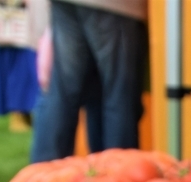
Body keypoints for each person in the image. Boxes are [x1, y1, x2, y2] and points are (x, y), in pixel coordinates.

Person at [29, 0, 146, 161]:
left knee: (63, 94)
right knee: (119, 96)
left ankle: (41, 180)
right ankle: (118, 175)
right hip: (115, 6)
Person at [0, 0, 46, 132]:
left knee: (28, 75)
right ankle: (17, 115)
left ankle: (27, 113)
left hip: (26, 31)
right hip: (12, 31)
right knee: (18, 75)